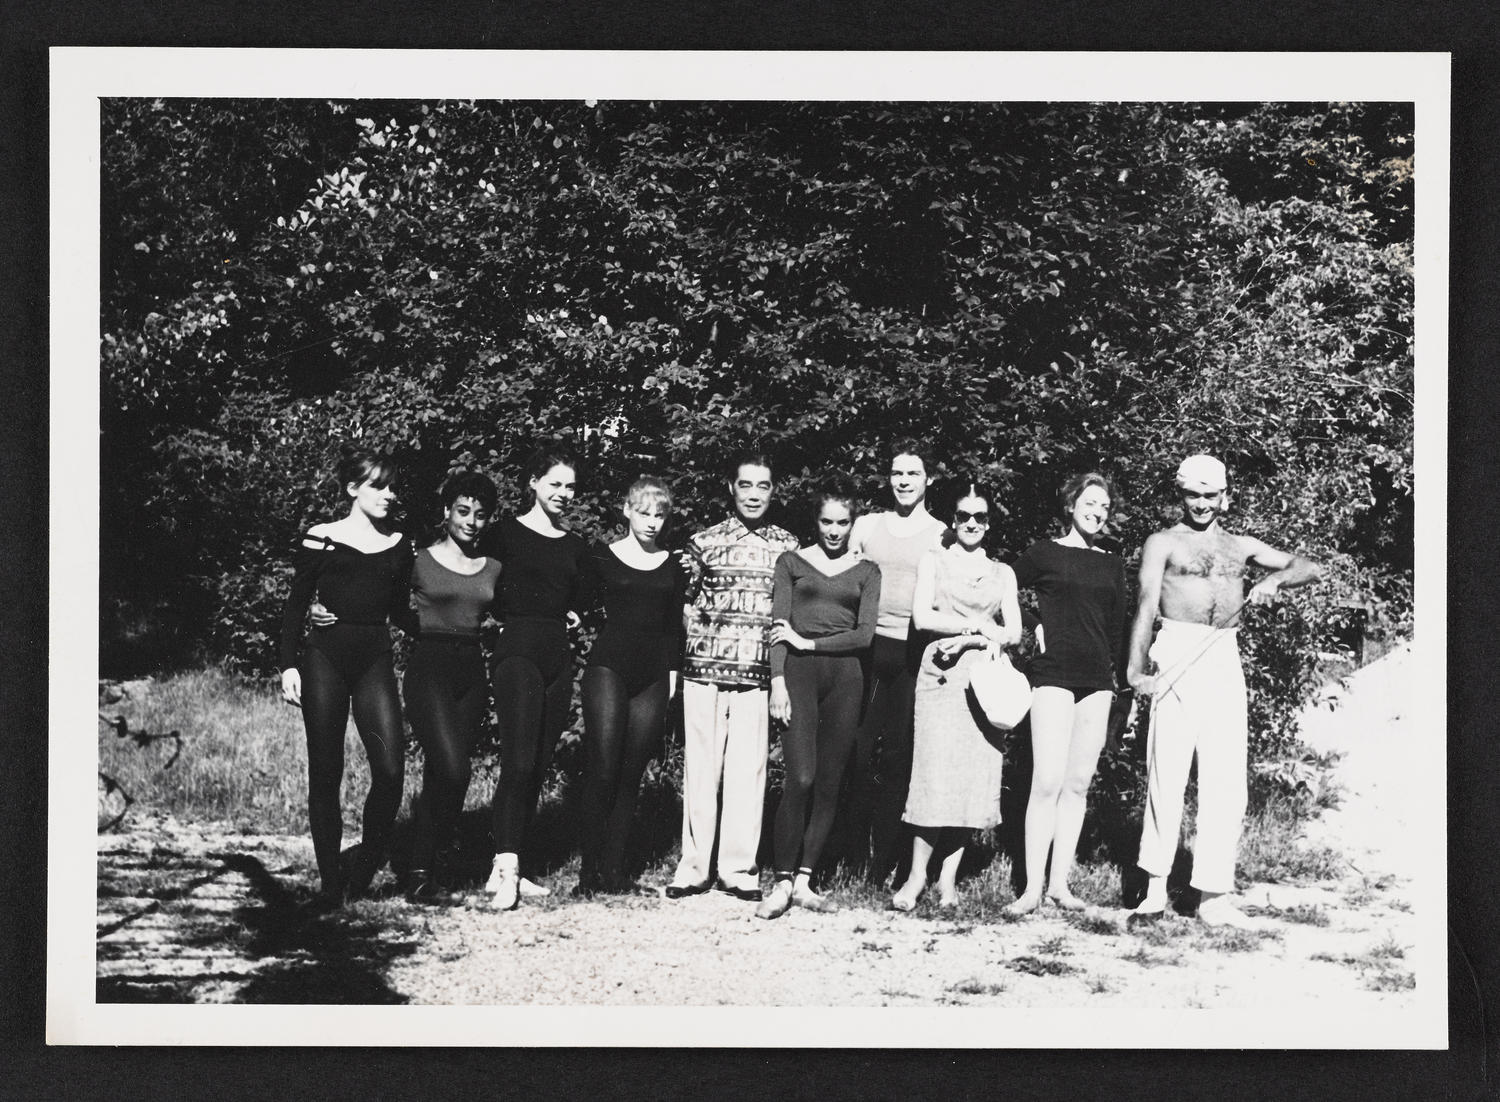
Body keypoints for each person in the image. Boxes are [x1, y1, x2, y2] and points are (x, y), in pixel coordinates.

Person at [1126, 454, 1322, 928]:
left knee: (1226, 776)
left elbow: (1309, 566)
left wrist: (1274, 579)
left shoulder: (1241, 546)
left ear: (1224, 497)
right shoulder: (1163, 542)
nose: (1200, 503)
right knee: (1167, 771)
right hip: (1176, 650)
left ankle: (1212, 894)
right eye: (1192, 494)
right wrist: (1135, 671)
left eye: (1209, 494)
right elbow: (1146, 602)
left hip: (1223, 656)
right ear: (1181, 495)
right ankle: (1153, 890)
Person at [279, 443, 414, 906]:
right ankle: (331, 885)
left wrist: (455, 632)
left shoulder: (400, 545)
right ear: (354, 489)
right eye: (379, 486)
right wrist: (287, 664)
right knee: (326, 771)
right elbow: (297, 603)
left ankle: (363, 866)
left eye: (393, 486)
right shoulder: (322, 536)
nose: (389, 494)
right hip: (325, 661)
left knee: (392, 770)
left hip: (374, 659)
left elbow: (402, 613)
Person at [667, 451, 799, 903]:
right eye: (746, 485)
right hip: (703, 672)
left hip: (758, 677)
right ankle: (694, 868)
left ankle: (739, 870)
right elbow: (680, 606)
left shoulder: (788, 546)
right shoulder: (703, 542)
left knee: (749, 774)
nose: (755, 494)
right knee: (701, 771)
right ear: (731, 488)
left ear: (773, 491)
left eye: (763, 486)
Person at [890, 485, 1022, 912]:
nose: (971, 523)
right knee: (933, 776)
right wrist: (975, 629)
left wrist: (987, 634)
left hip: (983, 680)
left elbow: (1014, 631)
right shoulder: (935, 560)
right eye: (964, 515)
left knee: (972, 778)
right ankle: (915, 878)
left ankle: (948, 880)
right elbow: (922, 616)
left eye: (980, 516)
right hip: (941, 677)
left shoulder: (1002, 572)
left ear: (989, 522)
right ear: (953, 519)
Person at [757, 487, 882, 919]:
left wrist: (807, 642)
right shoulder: (791, 561)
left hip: (847, 678)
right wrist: (777, 681)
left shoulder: (867, 570)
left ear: (853, 524)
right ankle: (781, 880)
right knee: (801, 777)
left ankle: (806, 880)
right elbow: (778, 627)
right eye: (827, 521)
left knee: (830, 781)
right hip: (798, 678)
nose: (834, 530)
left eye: (842, 523)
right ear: (817, 521)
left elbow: (865, 634)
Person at [1005, 472, 1127, 915]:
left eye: (1105, 507)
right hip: (1052, 675)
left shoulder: (1112, 563)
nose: (1097, 513)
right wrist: (1027, 629)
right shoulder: (1045, 553)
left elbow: (1117, 630)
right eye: (1090, 503)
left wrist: (1119, 686)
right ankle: (1031, 890)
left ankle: (1060, 885)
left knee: (1077, 785)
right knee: (1047, 781)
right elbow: (1004, 584)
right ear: (1071, 505)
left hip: (1097, 683)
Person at [480, 446, 590, 910]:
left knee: (539, 763)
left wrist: (573, 614)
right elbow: (471, 580)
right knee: (519, 761)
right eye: (555, 484)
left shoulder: (575, 545)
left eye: (570, 486)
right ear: (533, 482)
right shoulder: (503, 534)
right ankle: (507, 869)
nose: (563, 494)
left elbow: (583, 597)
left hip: (556, 656)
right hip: (517, 651)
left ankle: (509, 860)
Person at [575, 477, 686, 896]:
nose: (652, 522)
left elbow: (674, 625)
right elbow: (577, 598)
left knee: (630, 773)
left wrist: (672, 675)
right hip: (609, 668)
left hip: (654, 676)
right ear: (626, 510)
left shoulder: (674, 565)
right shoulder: (602, 556)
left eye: (659, 514)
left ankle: (614, 871)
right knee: (603, 767)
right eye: (644, 512)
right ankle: (588, 874)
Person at [844, 440, 947, 886]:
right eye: (897, 473)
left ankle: (884, 864)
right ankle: (846, 856)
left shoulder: (941, 532)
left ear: (928, 480)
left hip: (912, 653)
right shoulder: (867, 525)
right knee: (856, 753)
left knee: (899, 760)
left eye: (913, 473)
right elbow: (844, 582)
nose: (904, 481)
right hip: (867, 648)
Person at [398, 471, 503, 904]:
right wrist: (323, 607)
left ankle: (426, 869)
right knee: (453, 768)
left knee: (447, 776)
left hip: (471, 672)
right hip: (429, 667)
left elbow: (519, 608)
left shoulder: (494, 567)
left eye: (480, 515)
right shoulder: (417, 559)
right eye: (463, 511)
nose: (471, 521)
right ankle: (420, 867)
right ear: (446, 513)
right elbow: (378, 598)